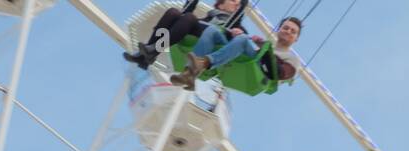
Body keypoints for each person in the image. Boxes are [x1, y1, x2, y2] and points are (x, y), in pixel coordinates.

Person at [171, 15, 303, 91]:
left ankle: (203, 62)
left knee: (243, 39)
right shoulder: (265, 46)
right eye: (286, 28)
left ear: (296, 39)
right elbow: (242, 49)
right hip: (246, 59)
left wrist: (263, 49)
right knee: (213, 30)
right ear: (278, 30)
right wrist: (236, 37)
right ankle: (188, 74)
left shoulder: (293, 59)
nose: (288, 31)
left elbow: (279, 73)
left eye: (293, 31)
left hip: (261, 74)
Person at [123, 0, 248, 70]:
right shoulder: (209, 16)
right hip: (198, 30)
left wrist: (237, 32)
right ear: (220, 4)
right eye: (232, 0)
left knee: (190, 17)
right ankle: (146, 56)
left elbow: (242, 7)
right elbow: (185, 12)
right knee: (173, 13)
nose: (236, 4)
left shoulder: (235, 22)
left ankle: (152, 51)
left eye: (238, 3)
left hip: (213, 39)